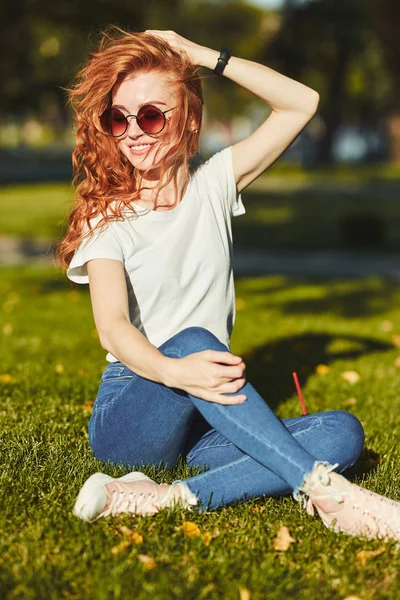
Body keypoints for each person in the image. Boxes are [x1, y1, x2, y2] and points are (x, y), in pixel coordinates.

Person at [56, 28, 400, 540]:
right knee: (198, 341)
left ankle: (167, 498)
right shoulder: (106, 217)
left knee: (341, 432)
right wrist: (178, 371)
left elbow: (301, 103)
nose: (134, 131)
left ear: (189, 118)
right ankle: (325, 494)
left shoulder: (214, 184)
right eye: (119, 117)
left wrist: (200, 56)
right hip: (134, 412)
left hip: (202, 418)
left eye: (151, 114)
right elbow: (113, 329)